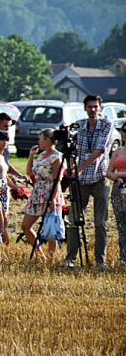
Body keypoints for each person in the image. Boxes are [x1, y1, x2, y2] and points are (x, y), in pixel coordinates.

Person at [65, 94, 114, 270]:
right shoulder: (79, 126)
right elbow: (71, 148)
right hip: (81, 181)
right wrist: (71, 164)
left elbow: (99, 151)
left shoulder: (106, 125)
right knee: (74, 221)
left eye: (95, 106)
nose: (93, 110)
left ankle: (100, 261)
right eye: (90, 107)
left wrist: (79, 168)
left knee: (100, 222)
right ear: (85, 108)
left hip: (99, 178)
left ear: (100, 108)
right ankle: (70, 259)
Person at [20, 129, 63, 262]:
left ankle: (50, 260)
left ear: (47, 140)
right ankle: (40, 256)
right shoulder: (41, 155)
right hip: (37, 193)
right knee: (25, 226)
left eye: (40, 139)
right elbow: (29, 172)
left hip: (50, 192)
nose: (38, 141)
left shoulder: (57, 157)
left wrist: (53, 199)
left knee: (50, 228)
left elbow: (58, 179)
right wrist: (31, 155)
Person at [106, 124, 126, 267]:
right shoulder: (118, 150)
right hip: (118, 189)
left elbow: (116, 171)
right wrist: (116, 177)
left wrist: (119, 174)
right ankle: (123, 259)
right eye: (124, 130)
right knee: (121, 225)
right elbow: (109, 172)